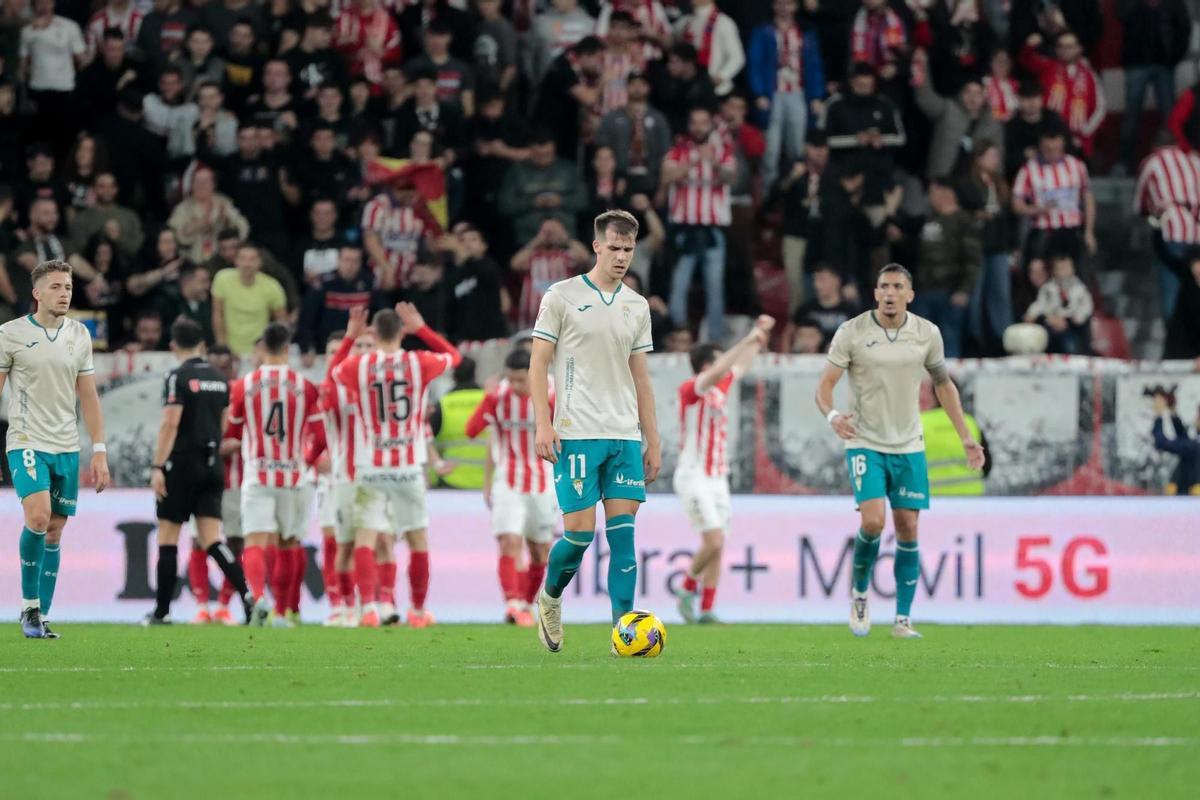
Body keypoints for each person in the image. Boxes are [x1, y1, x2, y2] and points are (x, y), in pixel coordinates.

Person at [815, 263, 985, 639]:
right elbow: (825, 385)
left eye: (897, 287)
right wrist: (831, 415)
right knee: (873, 522)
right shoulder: (852, 331)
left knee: (908, 528)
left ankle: (902, 620)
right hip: (864, 441)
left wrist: (966, 438)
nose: (889, 293)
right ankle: (860, 593)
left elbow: (944, 385)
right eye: (883, 287)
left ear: (910, 294)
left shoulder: (927, 333)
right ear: (875, 293)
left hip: (909, 444)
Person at [531, 209, 661, 653]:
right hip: (578, 433)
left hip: (623, 435)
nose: (622, 257)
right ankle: (549, 598)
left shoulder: (636, 306)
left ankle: (623, 630)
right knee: (580, 535)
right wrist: (543, 423)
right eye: (615, 248)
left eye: (629, 249)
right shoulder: (562, 296)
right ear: (597, 247)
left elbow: (641, 378)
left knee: (624, 536)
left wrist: (652, 439)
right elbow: (538, 362)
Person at [333, 303, 462, 628]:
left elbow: (333, 372)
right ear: (401, 331)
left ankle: (370, 609)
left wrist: (349, 337)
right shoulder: (418, 362)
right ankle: (417, 611)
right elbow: (454, 356)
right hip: (407, 467)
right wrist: (422, 329)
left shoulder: (359, 366)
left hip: (371, 467)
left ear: (373, 334)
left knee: (365, 537)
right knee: (417, 539)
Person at [1, 260, 110, 638]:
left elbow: (89, 395)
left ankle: (41, 616)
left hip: (66, 444)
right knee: (38, 516)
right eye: (56, 287)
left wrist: (99, 449)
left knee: (55, 530)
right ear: (36, 293)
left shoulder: (79, 335)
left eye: (68, 287)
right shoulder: (10, 334)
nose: (64, 293)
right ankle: (29, 608)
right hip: (27, 441)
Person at [143, 318, 253, 625]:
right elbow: (223, 423)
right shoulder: (220, 379)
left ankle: (162, 612)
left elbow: (170, 422)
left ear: (173, 345)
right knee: (212, 539)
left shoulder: (177, 376)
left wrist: (157, 466)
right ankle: (247, 596)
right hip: (212, 465)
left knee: (168, 536)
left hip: (181, 464)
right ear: (202, 345)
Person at [673, 317, 772, 624]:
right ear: (707, 366)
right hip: (693, 475)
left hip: (717, 477)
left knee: (718, 545)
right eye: (718, 364)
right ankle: (687, 588)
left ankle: (706, 609)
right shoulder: (694, 387)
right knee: (713, 539)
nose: (725, 370)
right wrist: (744, 340)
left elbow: (739, 367)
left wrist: (758, 337)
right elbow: (724, 368)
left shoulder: (719, 387)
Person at [223, 322, 323, 626]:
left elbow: (233, 428)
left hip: (257, 475)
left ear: (263, 348)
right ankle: (282, 610)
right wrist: (304, 461)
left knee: (254, 540)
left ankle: (257, 597)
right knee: (289, 542)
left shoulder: (243, 385)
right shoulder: (305, 386)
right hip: (292, 477)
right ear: (288, 348)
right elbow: (320, 437)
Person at [463, 348, 555, 626]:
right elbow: (471, 431)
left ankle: (527, 603)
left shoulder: (552, 395)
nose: (516, 386)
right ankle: (512, 605)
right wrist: (486, 399)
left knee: (540, 551)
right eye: (511, 380)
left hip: (543, 481)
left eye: (521, 380)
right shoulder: (498, 397)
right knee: (510, 542)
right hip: (508, 481)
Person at [307, 309, 372, 627]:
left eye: (362, 347)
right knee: (336, 543)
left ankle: (369, 602)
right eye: (336, 352)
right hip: (336, 478)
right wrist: (312, 458)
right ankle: (339, 603)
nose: (349, 355)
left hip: (373, 475)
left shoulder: (376, 386)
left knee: (374, 542)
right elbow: (311, 437)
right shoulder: (330, 389)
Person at [662, 106, 736, 344]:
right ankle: (678, 338)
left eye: (703, 122)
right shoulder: (678, 150)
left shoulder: (723, 151)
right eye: (695, 122)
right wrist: (693, 163)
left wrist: (712, 163)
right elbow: (665, 177)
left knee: (715, 288)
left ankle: (714, 342)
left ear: (710, 125)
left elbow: (733, 178)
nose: (698, 127)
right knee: (679, 285)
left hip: (713, 230)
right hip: (685, 230)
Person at [746, 0, 825, 191]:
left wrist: (816, 95)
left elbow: (814, 65)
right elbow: (754, 64)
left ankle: (796, 195)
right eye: (780, 3)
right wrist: (758, 93)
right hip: (773, 94)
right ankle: (768, 199)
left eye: (789, 3)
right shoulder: (763, 32)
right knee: (770, 151)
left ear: (796, 7)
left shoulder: (805, 32)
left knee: (797, 149)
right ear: (773, 6)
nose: (784, 8)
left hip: (798, 93)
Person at [909, 176, 982, 359]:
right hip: (925, 290)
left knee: (948, 341)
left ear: (946, 193)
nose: (930, 197)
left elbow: (973, 260)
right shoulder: (930, 220)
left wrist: (964, 290)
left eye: (933, 192)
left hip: (950, 291)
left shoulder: (964, 222)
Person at [1013, 128, 1095, 289]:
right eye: (1048, 149)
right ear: (1041, 147)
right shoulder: (1029, 169)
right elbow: (1016, 205)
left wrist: (1089, 232)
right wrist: (1036, 210)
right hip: (1044, 232)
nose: (1053, 153)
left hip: (1072, 230)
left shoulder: (1076, 166)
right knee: (1040, 281)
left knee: (1080, 282)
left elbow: (1088, 198)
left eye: (1057, 149)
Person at [1133, 133, 1200, 322]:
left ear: (1155, 146)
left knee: (1171, 290)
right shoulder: (1194, 162)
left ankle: (1175, 345)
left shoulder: (1151, 162)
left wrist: (1154, 209)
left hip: (1172, 232)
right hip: (1197, 232)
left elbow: (1139, 205)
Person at [1019, 30, 1105, 158]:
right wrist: (1030, 45)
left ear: (1079, 48)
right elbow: (1026, 60)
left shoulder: (1089, 75)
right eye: (1061, 46)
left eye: (1070, 46)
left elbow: (1100, 109)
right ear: (1056, 49)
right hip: (1048, 143)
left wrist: (1084, 136)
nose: (1066, 50)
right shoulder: (1048, 67)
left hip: (1078, 144)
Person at [510, 218, 591, 330]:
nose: (550, 234)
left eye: (554, 231)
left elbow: (585, 258)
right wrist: (537, 240)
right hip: (532, 319)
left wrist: (565, 238)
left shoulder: (566, 256)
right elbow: (515, 264)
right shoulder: (532, 257)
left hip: (562, 315)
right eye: (546, 231)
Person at [211, 243, 288, 356]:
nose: (247, 264)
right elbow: (217, 315)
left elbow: (281, 322)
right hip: (230, 350)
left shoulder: (272, 286)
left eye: (252, 259)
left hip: (261, 351)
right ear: (236, 261)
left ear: (260, 262)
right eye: (242, 258)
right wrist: (223, 348)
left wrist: (272, 350)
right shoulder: (222, 278)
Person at [1022, 252, 1093, 355]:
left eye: (1066, 268)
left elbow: (1086, 306)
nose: (1062, 272)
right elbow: (1039, 304)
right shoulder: (1048, 288)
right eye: (1059, 268)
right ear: (1054, 271)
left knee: (1071, 345)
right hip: (1051, 323)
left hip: (1072, 326)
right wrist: (1031, 314)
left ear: (1073, 270)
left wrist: (1078, 318)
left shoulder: (1079, 289)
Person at [673, 0, 744, 97]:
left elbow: (737, 57)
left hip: (715, 90)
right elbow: (673, 46)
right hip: (687, 88)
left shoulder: (724, 22)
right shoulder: (684, 22)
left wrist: (721, 76)